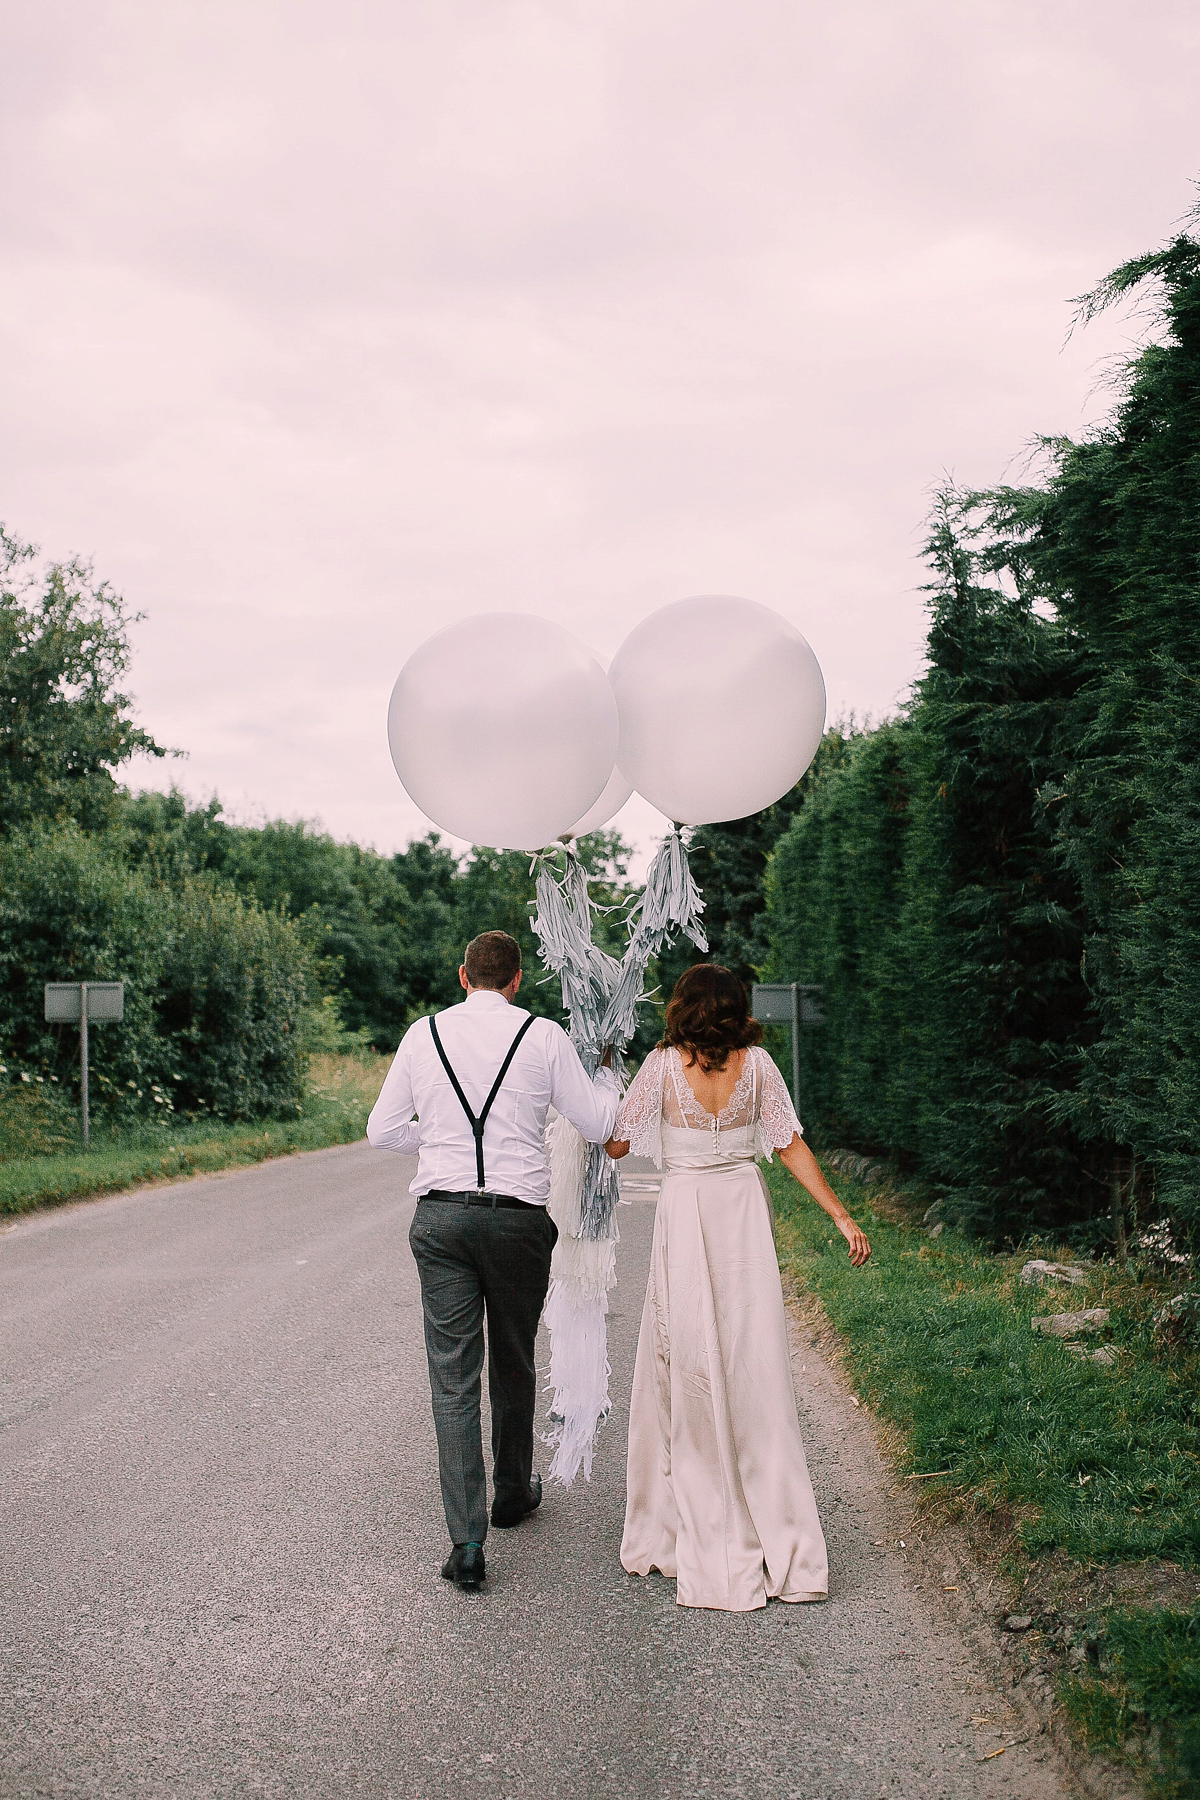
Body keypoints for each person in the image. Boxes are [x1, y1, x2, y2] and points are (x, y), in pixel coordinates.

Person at [605, 963, 871, 1612]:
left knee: (688, 1363)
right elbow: (790, 1147)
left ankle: (686, 1530)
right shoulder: (759, 1067)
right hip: (742, 1215)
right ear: (738, 1007)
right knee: (754, 1368)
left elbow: (614, 1145)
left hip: (686, 1211)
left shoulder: (663, 1067)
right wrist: (841, 1215)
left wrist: (600, 1092)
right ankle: (787, 1547)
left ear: (682, 1007)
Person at [367, 930, 619, 1592]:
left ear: (462, 976)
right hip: (517, 1221)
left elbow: (382, 1129)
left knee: (453, 1377)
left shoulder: (424, 1036)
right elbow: (597, 1124)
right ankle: (511, 1493)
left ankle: (467, 1541)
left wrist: (442, 1141)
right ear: (516, 980)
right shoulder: (542, 1037)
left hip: (442, 1218)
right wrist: (609, 1077)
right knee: (513, 1356)